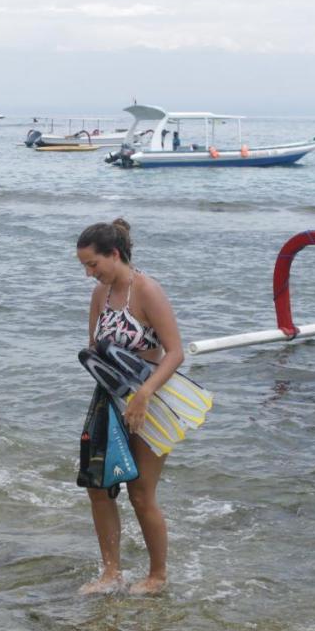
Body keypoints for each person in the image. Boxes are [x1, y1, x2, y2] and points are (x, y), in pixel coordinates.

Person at [75, 218, 184, 595]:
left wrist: (144, 393)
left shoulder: (147, 290)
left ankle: (157, 575)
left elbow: (175, 353)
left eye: (93, 264)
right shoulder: (99, 295)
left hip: (152, 400)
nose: (90, 273)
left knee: (140, 491)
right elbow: (94, 347)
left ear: (114, 254)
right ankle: (111, 573)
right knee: (98, 487)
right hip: (110, 399)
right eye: (85, 267)